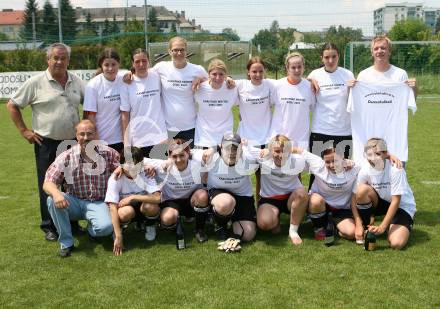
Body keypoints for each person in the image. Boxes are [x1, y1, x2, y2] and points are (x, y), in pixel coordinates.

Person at [6, 42, 84, 241]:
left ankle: (72, 223)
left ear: (68, 60)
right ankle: (49, 226)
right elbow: (12, 105)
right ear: (47, 60)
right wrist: (24, 131)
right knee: (48, 184)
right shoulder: (36, 82)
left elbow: (92, 102)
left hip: (71, 143)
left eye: (63, 58)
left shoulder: (76, 81)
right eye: (55, 58)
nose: (59, 61)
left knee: (71, 184)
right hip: (46, 143)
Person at [43, 120, 119, 257]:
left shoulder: (109, 154)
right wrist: (56, 194)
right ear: (76, 136)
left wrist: (148, 167)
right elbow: (48, 182)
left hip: (98, 202)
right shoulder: (67, 156)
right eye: (82, 134)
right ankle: (66, 243)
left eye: (89, 134)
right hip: (74, 202)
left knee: (106, 228)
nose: (85, 138)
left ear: (96, 135)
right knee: (51, 200)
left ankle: (91, 230)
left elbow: (124, 173)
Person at [347, 36, 417, 165]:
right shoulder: (363, 76)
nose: (380, 51)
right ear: (372, 52)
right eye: (376, 48)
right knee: (369, 183)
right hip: (369, 139)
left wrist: (414, 88)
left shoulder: (400, 74)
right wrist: (350, 89)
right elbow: (352, 106)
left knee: (395, 180)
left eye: (383, 48)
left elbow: (410, 101)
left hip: (395, 142)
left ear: (389, 51)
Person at [353, 138, 416, 250]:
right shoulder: (365, 170)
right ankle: (367, 224)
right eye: (369, 154)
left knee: (396, 244)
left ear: (385, 154)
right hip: (382, 202)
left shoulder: (396, 169)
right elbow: (355, 197)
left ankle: (396, 225)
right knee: (361, 190)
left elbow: (396, 201)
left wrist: (382, 227)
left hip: (401, 206)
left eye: (377, 154)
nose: (373, 158)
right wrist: (358, 224)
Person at [246, 135, 308, 244]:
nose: (281, 155)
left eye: (284, 151)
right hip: (270, 199)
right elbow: (244, 148)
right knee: (264, 224)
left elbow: (318, 160)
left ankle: (293, 231)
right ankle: (276, 220)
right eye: (277, 151)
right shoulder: (262, 157)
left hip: (291, 197)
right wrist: (244, 142)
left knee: (302, 193)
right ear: (270, 151)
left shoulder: (298, 159)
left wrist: (346, 163)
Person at [144, 139, 209, 243]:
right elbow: (135, 161)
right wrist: (121, 168)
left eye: (182, 155)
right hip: (171, 201)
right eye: (174, 156)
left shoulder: (197, 163)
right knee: (167, 219)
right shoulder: (162, 165)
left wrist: (211, 151)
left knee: (202, 195)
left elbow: (216, 152)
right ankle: (172, 224)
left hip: (191, 200)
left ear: (188, 153)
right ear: (169, 156)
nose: (178, 160)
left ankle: (199, 229)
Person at [198, 133, 258, 245]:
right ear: (221, 147)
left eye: (235, 148)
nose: (231, 152)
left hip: (242, 196)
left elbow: (269, 152)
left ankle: (231, 218)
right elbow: (185, 152)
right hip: (219, 193)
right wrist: (213, 148)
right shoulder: (211, 156)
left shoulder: (249, 158)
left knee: (247, 235)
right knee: (226, 203)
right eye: (227, 148)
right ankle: (220, 224)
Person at [105, 147, 161, 256]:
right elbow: (112, 208)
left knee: (151, 206)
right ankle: (120, 230)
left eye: (136, 163)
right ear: (121, 164)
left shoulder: (146, 173)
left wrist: (133, 197)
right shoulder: (115, 178)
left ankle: (149, 226)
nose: (132, 167)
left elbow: (158, 198)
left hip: (143, 207)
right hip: (126, 209)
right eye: (128, 163)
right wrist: (118, 236)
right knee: (125, 212)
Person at [152, 36, 208, 145]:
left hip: (191, 127)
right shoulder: (161, 68)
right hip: (168, 128)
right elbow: (144, 76)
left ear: (186, 51)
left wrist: (201, 79)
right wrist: (130, 73)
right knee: (170, 161)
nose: (179, 53)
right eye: (175, 50)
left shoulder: (197, 69)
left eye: (182, 49)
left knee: (190, 160)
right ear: (169, 51)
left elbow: (214, 80)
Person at [302, 147, 360, 242]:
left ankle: (333, 227)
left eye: (335, 161)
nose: (331, 165)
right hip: (321, 206)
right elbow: (298, 151)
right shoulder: (318, 165)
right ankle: (319, 228)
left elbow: (372, 161)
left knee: (351, 233)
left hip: (342, 209)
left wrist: (351, 162)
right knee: (315, 200)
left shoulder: (354, 168)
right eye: (327, 162)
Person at [308, 43, 354, 160]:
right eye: (327, 57)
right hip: (320, 131)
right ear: (322, 58)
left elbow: (353, 101)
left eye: (334, 56)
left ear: (338, 56)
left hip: (343, 131)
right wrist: (308, 80)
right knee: (318, 172)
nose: (330, 60)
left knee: (342, 171)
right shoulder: (315, 74)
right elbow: (299, 86)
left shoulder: (348, 74)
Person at [120, 48, 168, 158]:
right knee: (142, 174)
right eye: (137, 61)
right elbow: (124, 115)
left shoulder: (157, 76)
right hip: (138, 140)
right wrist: (127, 144)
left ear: (149, 61)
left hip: (160, 138)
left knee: (162, 173)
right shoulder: (127, 83)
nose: (141, 64)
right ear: (132, 63)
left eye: (144, 60)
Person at [270, 52, 315, 149]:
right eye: (293, 67)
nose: (297, 70)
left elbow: (313, 109)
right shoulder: (277, 85)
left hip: (301, 142)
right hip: (279, 141)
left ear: (304, 67)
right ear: (287, 68)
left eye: (299, 67)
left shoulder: (310, 87)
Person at [84, 48, 125, 152]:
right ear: (101, 66)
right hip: (102, 140)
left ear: (119, 64)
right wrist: (97, 142)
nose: (110, 68)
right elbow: (90, 117)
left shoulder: (123, 80)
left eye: (114, 64)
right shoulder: (93, 85)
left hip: (122, 140)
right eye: (106, 65)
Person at [193, 59, 239, 149]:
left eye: (221, 74)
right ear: (209, 74)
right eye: (214, 74)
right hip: (204, 138)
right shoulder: (199, 88)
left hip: (225, 138)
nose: (217, 78)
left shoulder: (232, 88)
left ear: (225, 75)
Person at [236, 57, 275, 147]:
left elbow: (288, 82)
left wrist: (309, 80)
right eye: (254, 71)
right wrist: (229, 78)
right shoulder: (241, 85)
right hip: (245, 138)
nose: (258, 74)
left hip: (266, 138)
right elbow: (222, 80)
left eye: (261, 71)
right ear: (248, 72)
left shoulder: (269, 84)